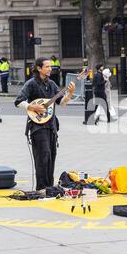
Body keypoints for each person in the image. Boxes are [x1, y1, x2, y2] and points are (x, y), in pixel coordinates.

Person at [14, 57, 76, 191]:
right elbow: (18, 101)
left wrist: (70, 93)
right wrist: (32, 107)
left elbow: (61, 103)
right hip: (37, 126)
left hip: (51, 126)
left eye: (50, 66)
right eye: (47, 66)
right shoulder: (31, 84)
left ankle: (49, 187)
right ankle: (41, 188)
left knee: (51, 156)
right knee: (43, 155)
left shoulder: (52, 84)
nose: (50, 69)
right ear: (39, 68)